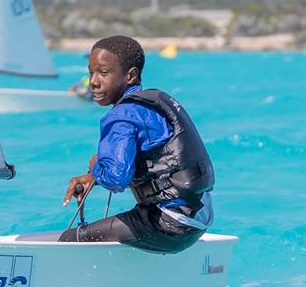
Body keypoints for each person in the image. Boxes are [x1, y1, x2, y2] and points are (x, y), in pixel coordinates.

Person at [59, 35, 214, 253]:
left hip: (168, 225)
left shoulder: (122, 116)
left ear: (130, 75)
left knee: (69, 239)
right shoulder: (153, 102)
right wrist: (94, 175)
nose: (93, 81)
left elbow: (116, 178)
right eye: (90, 72)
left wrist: (96, 165)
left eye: (103, 73)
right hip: (198, 219)